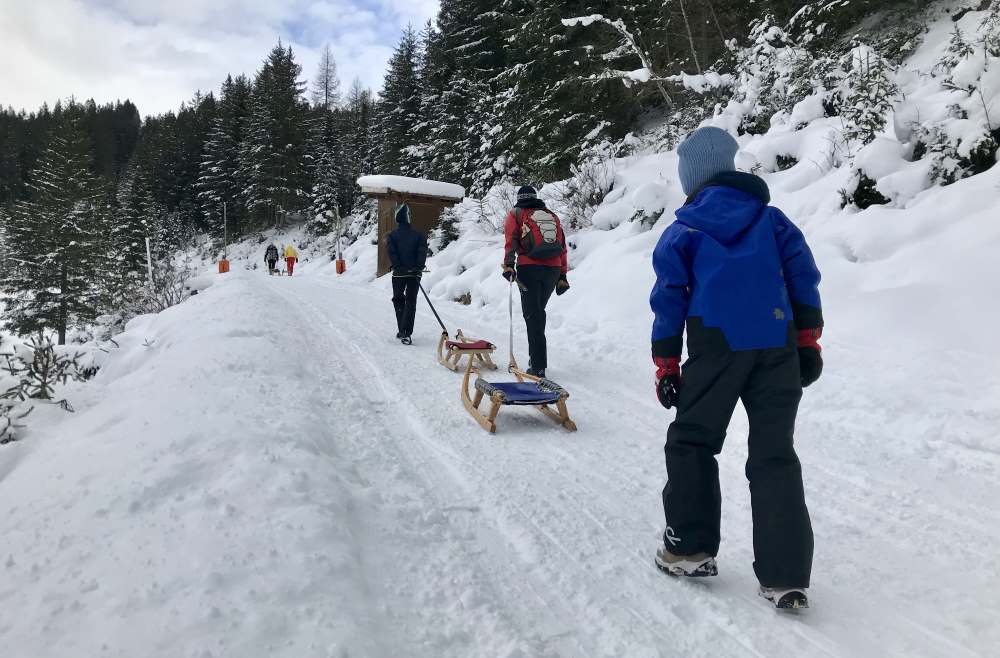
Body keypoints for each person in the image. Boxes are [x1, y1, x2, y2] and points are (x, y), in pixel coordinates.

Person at [649, 127, 823, 610]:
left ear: (693, 177)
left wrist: (666, 365)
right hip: (777, 344)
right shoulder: (773, 221)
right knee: (775, 455)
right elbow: (803, 278)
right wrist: (807, 341)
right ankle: (786, 577)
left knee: (691, 441)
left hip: (715, 346)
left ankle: (690, 548)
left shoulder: (683, 231)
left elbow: (669, 301)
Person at [502, 186, 569, 379]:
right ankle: (537, 360)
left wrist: (508, 265)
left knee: (533, 315)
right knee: (538, 312)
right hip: (553, 270)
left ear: (519, 198)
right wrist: (563, 275)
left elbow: (510, 241)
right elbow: (562, 247)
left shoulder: (516, 213)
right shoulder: (551, 215)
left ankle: (538, 366)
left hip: (529, 268)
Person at [386, 204, 427, 345]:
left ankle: (402, 330)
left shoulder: (392, 235)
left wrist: (398, 266)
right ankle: (406, 331)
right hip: (415, 274)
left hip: (399, 274)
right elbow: (422, 252)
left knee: (398, 300)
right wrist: (418, 267)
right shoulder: (419, 235)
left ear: (398, 218)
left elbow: (392, 252)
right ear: (409, 218)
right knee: (411, 301)